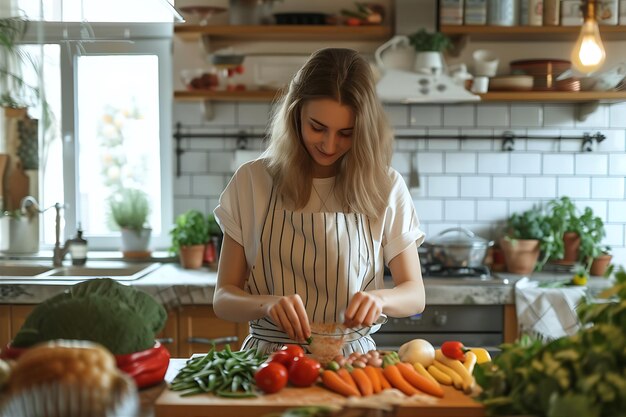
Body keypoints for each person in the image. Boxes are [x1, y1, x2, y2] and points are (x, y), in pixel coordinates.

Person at [213, 48, 425, 356]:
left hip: (353, 363)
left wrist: (381, 299)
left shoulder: (385, 185)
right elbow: (223, 298)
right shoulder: (252, 181)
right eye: (317, 127)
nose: (329, 144)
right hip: (269, 362)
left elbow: (415, 294)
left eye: (346, 133)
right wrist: (268, 304)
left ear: (364, 130)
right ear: (295, 114)